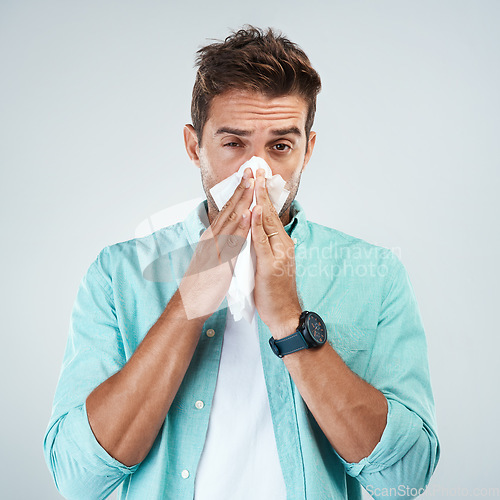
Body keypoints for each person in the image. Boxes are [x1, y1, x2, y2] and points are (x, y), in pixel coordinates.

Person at [43, 26, 440, 499]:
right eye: (234, 143)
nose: (258, 171)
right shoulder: (118, 275)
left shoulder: (375, 275)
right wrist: (190, 300)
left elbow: (405, 479)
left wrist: (290, 322)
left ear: (307, 150)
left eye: (280, 146)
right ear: (195, 147)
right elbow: (77, 478)